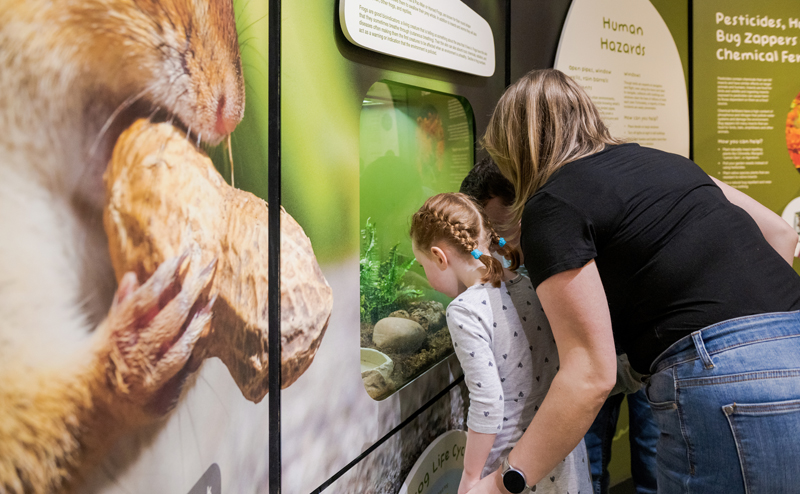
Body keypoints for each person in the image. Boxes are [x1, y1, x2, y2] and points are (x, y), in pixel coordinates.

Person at [469, 68, 800, 494]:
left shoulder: (552, 204)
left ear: (514, 148)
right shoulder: (671, 164)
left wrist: (502, 483)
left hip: (720, 381)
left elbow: (589, 375)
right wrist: (755, 336)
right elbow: (782, 234)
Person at [460, 158, 658, 494]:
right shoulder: (520, 252)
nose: (492, 239)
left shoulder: (555, 224)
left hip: (631, 354)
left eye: (494, 224)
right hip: (590, 365)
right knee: (587, 461)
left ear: (516, 201)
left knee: (651, 456)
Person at [409, 193, 592, 494]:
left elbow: (488, 403)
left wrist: (469, 475)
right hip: (562, 455)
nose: (426, 276)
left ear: (440, 257)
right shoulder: (530, 283)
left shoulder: (465, 310)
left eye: (422, 265)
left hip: (512, 467)